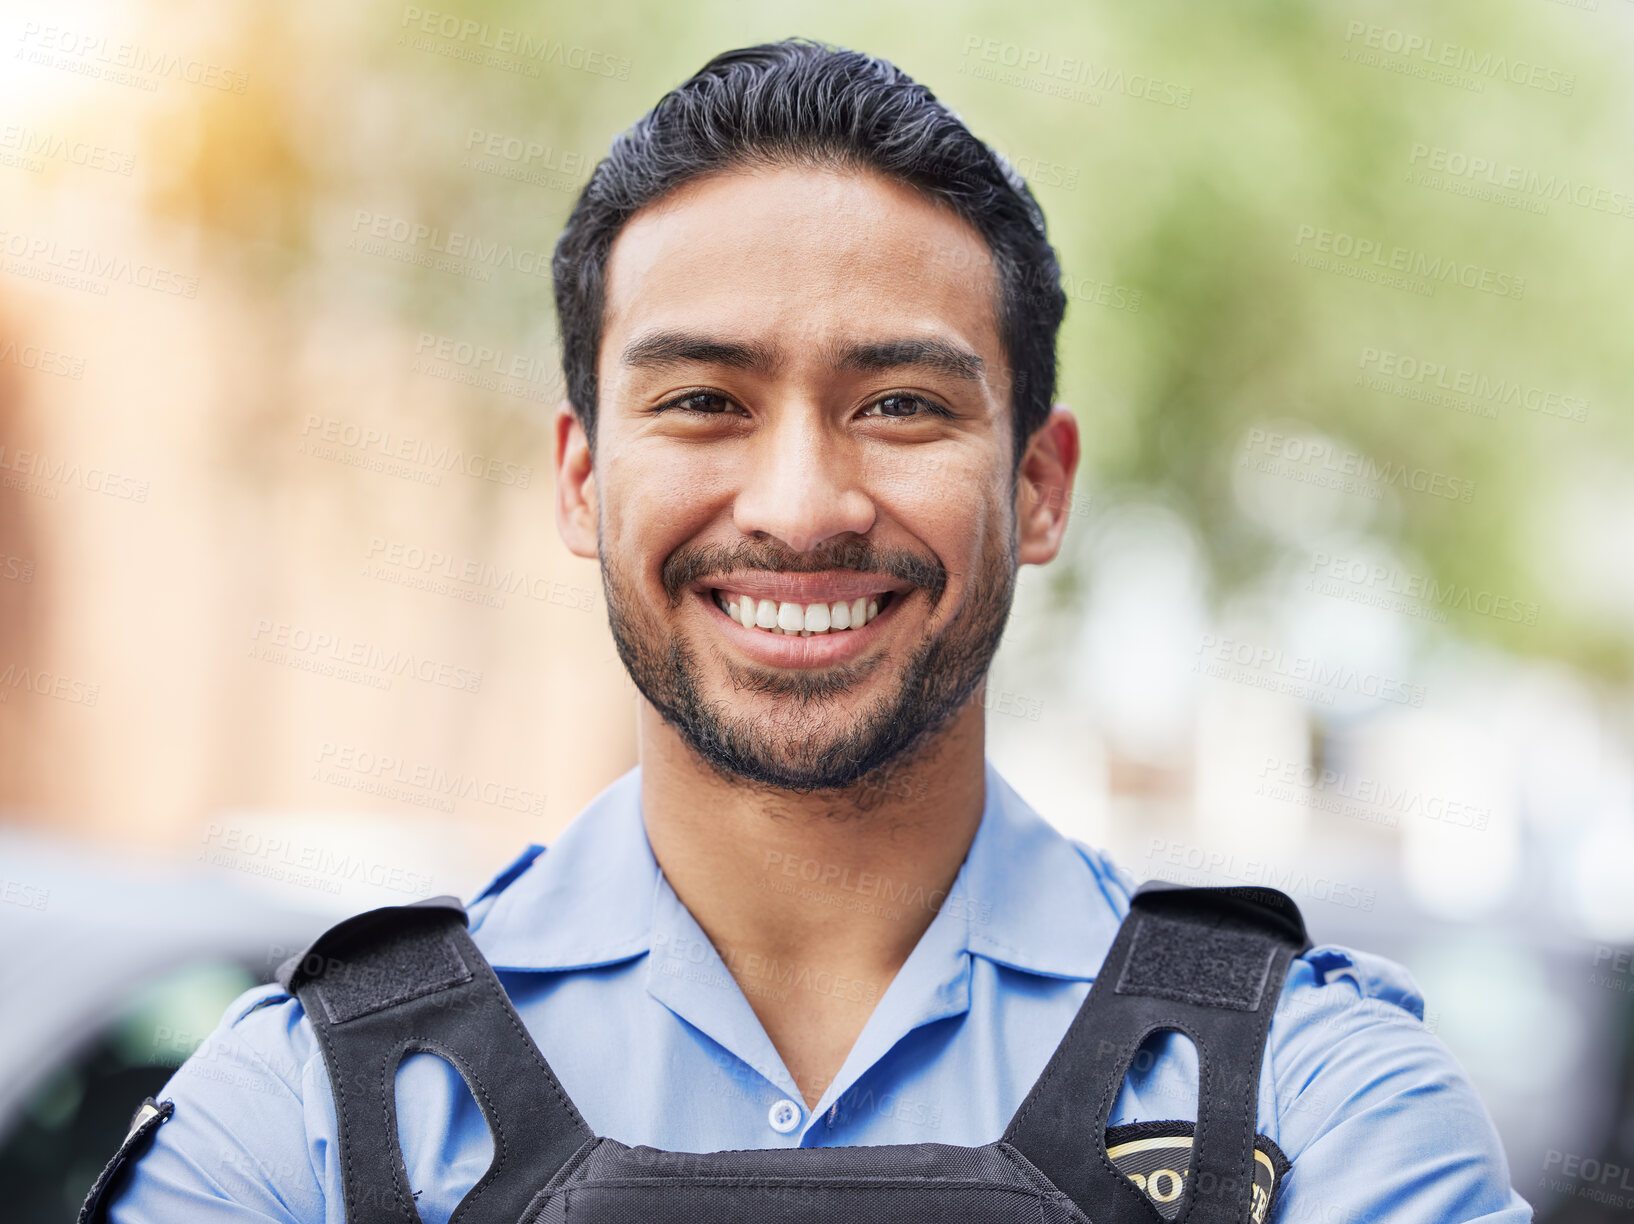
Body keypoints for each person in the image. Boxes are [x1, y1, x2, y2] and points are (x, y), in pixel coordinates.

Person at [90, 38, 1532, 1224]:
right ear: (582, 481)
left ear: (1037, 484)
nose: (797, 505)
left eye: (900, 405)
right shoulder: (306, 1124)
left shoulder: (1319, 1104)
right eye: (703, 401)